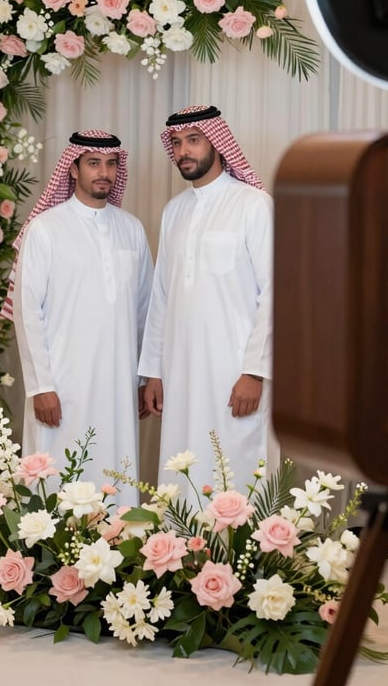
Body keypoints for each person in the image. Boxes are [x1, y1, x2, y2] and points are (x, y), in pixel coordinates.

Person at [6, 130, 153, 503]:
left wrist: (141, 379)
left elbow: (144, 311)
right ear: (73, 169)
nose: (103, 172)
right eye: (93, 163)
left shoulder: (131, 229)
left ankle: (117, 553)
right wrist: (41, 386)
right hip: (62, 385)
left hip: (118, 385)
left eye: (110, 164)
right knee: (57, 474)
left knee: (115, 472)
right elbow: (27, 313)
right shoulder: (45, 229)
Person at [138, 105, 275, 504]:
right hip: (181, 373)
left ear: (216, 142)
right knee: (186, 466)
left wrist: (254, 371)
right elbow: (162, 296)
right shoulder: (174, 211)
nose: (183, 151)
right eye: (177, 143)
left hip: (234, 371)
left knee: (239, 466)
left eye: (193, 140)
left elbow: (275, 292)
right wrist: (154, 373)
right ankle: (183, 559)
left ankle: (246, 562)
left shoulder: (252, 204)